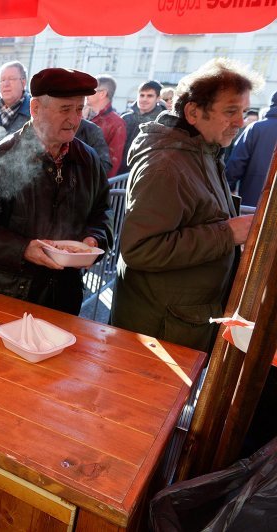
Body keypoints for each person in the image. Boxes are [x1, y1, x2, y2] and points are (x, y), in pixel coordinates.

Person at [111, 58, 262, 353]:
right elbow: (140, 249)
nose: (241, 122)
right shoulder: (166, 165)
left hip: (181, 320)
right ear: (193, 112)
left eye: (243, 112)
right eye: (231, 111)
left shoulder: (203, 149)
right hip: (159, 329)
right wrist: (228, 234)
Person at [0, 68, 113, 315]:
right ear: (36, 109)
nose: (75, 120)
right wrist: (23, 249)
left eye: (79, 109)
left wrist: (93, 240)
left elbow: (101, 212)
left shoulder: (87, 159)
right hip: (8, 293)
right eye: (65, 109)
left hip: (63, 294)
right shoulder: (0, 158)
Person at [226, 92, 277, 207]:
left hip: (253, 204)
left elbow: (236, 164)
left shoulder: (255, 128)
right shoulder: (255, 128)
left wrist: (227, 189)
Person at [119, 80, 167, 174]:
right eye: (142, 95)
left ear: (158, 98)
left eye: (150, 96)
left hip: (144, 172)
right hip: (118, 171)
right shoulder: (125, 118)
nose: (144, 99)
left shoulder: (162, 122)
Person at [84, 74, 127, 177]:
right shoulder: (82, 115)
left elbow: (113, 162)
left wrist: (101, 189)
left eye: (91, 90)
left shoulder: (117, 124)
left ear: (102, 93)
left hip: (93, 184)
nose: (86, 94)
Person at [0, 61, 31, 140]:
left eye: (11, 79)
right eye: (2, 80)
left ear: (23, 83)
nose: (6, 84)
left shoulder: (36, 113)